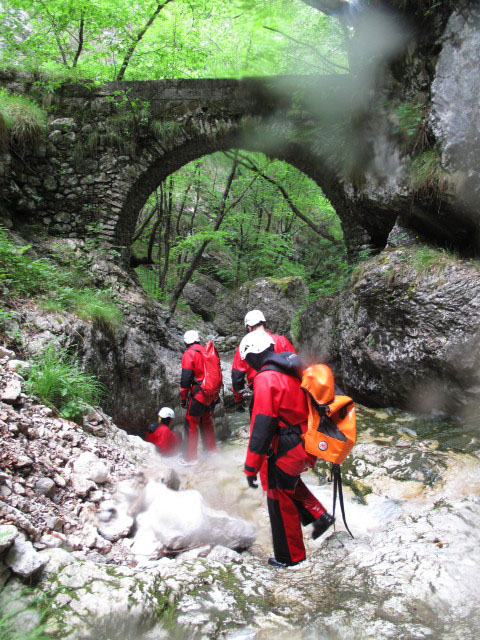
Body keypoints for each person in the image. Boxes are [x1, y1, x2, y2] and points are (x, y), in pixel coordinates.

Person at [240, 330, 335, 568]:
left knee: (278, 497)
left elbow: (262, 424)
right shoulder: (293, 368)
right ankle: (319, 515)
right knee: (287, 484)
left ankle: (290, 557)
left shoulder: (266, 378)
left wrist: (251, 466)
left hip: (288, 445)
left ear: (252, 355)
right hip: (307, 440)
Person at [231, 309, 296, 413]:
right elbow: (296, 366)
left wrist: (238, 400)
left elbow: (237, 378)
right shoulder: (282, 340)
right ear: (264, 324)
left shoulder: (244, 347)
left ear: (249, 327)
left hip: (261, 394)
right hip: (288, 392)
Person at [179, 329, 218, 465]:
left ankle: (190, 458)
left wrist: (183, 397)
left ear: (186, 342)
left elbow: (186, 378)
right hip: (211, 394)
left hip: (199, 394)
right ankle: (212, 451)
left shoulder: (189, 354)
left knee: (191, 424)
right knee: (206, 421)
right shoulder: (207, 351)